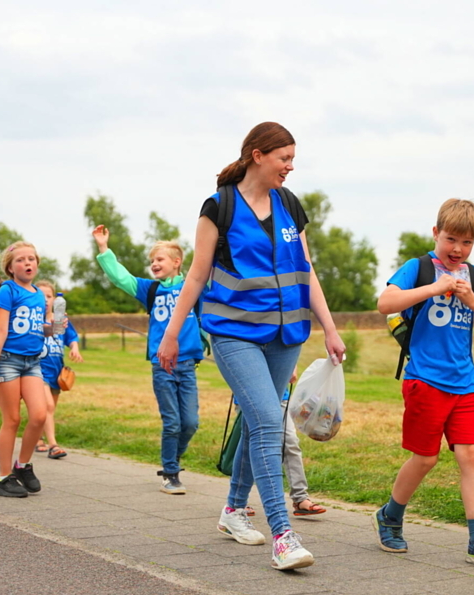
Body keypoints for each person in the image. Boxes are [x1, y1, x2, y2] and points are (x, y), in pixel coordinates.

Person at [157, 121, 346, 571]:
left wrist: (330, 327)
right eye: (284, 158)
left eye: (292, 159)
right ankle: (283, 534)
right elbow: (198, 275)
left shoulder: (290, 206)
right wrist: (171, 331)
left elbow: (307, 271)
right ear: (258, 155)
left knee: (259, 421)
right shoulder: (219, 207)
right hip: (233, 333)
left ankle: (233, 510)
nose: (290, 166)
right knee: (264, 419)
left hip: (285, 335)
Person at [372, 199, 474, 569]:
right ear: (436, 234)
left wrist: (469, 295)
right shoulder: (417, 268)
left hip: (464, 382)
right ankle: (390, 514)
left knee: (471, 455)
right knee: (426, 457)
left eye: (467, 243)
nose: (457, 250)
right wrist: (434, 288)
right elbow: (385, 303)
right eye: (451, 239)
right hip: (424, 380)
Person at [94, 228, 204, 493]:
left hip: (188, 364)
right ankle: (170, 473)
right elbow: (121, 278)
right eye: (152, 261)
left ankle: (172, 460)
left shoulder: (194, 286)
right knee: (172, 422)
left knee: (190, 423)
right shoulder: (149, 289)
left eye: (160, 259)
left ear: (177, 262)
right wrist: (103, 249)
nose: (154, 264)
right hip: (162, 365)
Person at [0, 241, 50, 498]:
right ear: (10, 268)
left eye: (31, 259)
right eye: (21, 260)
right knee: (11, 419)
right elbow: (0, 330)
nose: (27, 263)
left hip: (32, 361)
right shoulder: (7, 291)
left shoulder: (37, 295)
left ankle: (22, 465)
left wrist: (55, 328)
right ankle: (3, 479)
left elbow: (37, 328)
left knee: (39, 415)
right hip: (8, 362)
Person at [235, 367, 327, 516]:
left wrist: (292, 365)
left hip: (280, 396)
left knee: (290, 442)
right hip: (249, 397)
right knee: (250, 445)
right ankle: (239, 501)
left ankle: (300, 498)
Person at [34, 280, 82, 459]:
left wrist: (75, 348)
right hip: (39, 370)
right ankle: (53, 445)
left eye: (48, 296)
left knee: (49, 408)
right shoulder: (33, 318)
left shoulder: (59, 318)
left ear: (54, 299)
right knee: (47, 406)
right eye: (41, 295)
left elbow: (71, 336)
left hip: (56, 371)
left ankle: (37, 438)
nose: (45, 300)